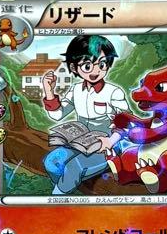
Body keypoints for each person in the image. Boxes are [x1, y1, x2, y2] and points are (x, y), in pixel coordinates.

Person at [41, 36, 129, 194]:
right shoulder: (75, 90)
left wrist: (111, 140)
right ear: (74, 68)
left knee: (74, 167)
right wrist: (49, 91)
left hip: (106, 146)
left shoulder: (113, 92)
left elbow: (127, 122)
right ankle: (68, 187)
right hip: (79, 144)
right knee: (51, 162)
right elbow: (57, 115)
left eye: (101, 64)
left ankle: (58, 197)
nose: (96, 71)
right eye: (87, 66)